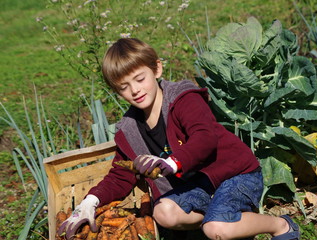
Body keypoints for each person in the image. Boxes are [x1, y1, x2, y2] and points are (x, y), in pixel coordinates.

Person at [58, 38, 300, 240]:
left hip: (234, 174)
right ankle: (222, 219)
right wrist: (89, 202)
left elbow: (204, 138)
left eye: (140, 79)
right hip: (198, 187)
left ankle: (279, 225)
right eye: (123, 87)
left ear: (157, 69)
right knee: (163, 213)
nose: (135, 90)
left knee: (216, 228)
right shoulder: (129, 130)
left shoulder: (183, 99)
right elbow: (122, 174)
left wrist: (171, 163)